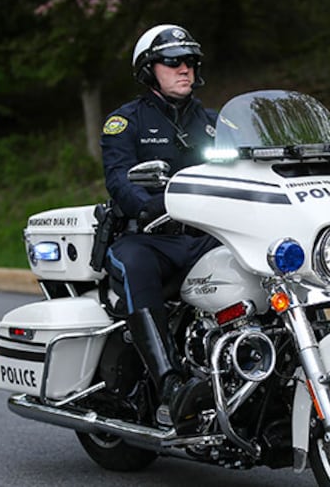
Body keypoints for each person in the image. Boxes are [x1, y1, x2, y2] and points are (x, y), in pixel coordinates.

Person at [100, 24, 220, 432]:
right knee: (135, 265)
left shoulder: (215, 124)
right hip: (148, 238)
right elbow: (118, 179)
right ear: (150, 69)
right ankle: (169, 384)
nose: (184, 69)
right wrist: (150, 208)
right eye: (173, 61)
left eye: (190, 61)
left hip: (203, 237)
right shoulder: (125, 122)